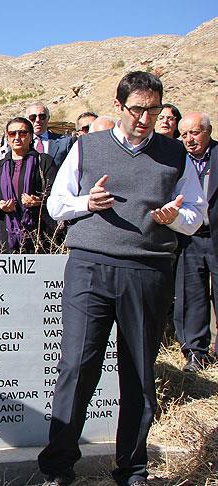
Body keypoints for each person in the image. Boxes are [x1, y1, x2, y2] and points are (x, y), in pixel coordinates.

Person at [39, 71, 206, 486]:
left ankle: (132, 468)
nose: (145, 118)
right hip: (90, 268)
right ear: (119, 107)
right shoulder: (87, 146)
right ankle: (58, 468)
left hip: (147, 271)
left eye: (153, 110)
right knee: (77, 367)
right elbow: (57, 205)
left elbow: (196, 213)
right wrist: (86, 202)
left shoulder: (176, 154)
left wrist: (175, 218)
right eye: (137, 109)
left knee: (138, 373)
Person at [173, 112, 217, 372]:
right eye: (184, 134)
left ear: (208, 131)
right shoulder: (177, 159)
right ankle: (196, 353)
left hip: (216, 235)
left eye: (195, 132)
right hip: (189, 238)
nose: (189, 139)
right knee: (192, 296)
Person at [0, 117, 57, 253]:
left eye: (22, 133)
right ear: (7, 137)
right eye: (12, 134)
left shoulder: (44, 162)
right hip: (6, 235)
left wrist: (39, 201)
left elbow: (56, 193)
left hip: (39, 234)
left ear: (31, 136)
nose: (17, 137)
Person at [26, 102, 73, 167]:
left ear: (48, 118)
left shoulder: (65, 142)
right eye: (33, 117)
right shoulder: (21, 143)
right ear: (27, 120)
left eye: (42, 116)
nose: (37, 120)